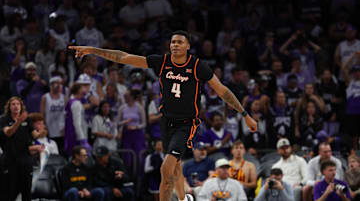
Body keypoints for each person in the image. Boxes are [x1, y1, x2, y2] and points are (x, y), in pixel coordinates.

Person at [69, 30, 257, 201]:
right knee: (174, 167)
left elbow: (223, 91)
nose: (175, 45)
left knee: (166, 168)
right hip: (166, 121)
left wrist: (245, 114)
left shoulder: (198, 66)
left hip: (187, 123)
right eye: (173, 42)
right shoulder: (162, 62)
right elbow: (124, 57)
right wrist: (93, 50)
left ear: (188, 46)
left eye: (179, 42)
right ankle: (184, 199)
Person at [0, 97, 44, 201]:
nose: (16, 106)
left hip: (25, 159)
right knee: (10, 191)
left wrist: (40, 133)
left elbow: (34, 135)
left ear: (21, 106)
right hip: (10, 159)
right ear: (9, 107)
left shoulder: (27, 119)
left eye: (18, 104)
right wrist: (19, 121)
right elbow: (9, 133)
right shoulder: (4, 119)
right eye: (13, 104)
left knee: (26, 191)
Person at [40, 76, 66, 155]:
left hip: (61, 128)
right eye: (56, 84)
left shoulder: (64, 97)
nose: (58, 86)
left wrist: (65, 127)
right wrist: (44, 127)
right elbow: (42, 114)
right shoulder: (45, 97)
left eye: (60, 84)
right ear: (51, 85)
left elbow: (67, 114)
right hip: (49, 127)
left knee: (61, 149)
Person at [64, 82, 91, 156]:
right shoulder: (76, 104)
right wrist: (82, 139)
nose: (84, 92)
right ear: (79, 91)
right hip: (76, 136)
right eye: (82, 89)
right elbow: (77, 123)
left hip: (71, 132)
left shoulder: (71, 101)